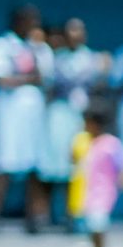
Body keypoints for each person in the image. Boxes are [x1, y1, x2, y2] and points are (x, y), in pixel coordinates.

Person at [0, 4, 53, 235]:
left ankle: (32, 218)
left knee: (34, 166)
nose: (33, 25)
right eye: (29, 20)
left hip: (33, 114)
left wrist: (32, 76)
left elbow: (46, 77)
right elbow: (1, 79)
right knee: (5, 164)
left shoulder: (39, 47)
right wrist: (28, 79)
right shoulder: (1, 46)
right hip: (10, 114)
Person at [43, 17, 102, 227]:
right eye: (72, 32)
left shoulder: (92, 59)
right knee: (55, 164)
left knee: (79, 166)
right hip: (60, 114)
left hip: (83, 117)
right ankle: (47, 214)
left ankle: (74, 214)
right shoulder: (57, 58)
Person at [72, 102, 123, 247]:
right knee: (92, 228)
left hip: (103, 193)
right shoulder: (84, 142)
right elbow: (72, 158)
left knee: (98, 226)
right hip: (86, 192)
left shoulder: (111, 144)